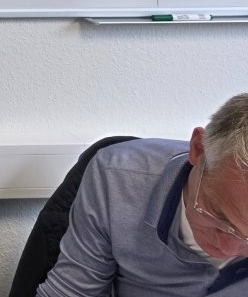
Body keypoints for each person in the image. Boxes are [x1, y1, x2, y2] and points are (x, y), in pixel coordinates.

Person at [38, 93, 248, 296]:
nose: (227, 249)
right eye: (218, 214)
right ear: (198, 149)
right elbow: (71, 291)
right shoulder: (117, 177)